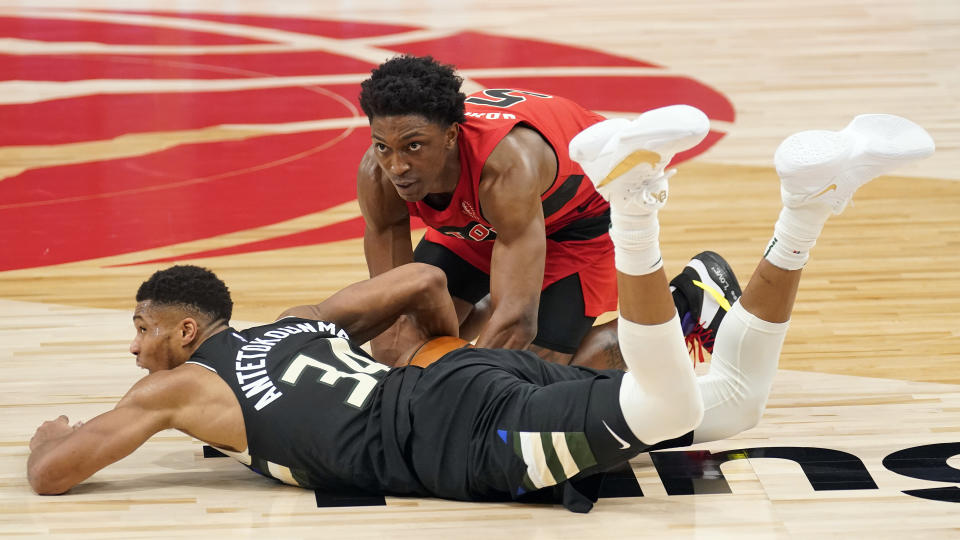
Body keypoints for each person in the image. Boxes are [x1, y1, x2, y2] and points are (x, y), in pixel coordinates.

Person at [27, 109, 934, 513]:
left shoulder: (176, 387)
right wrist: (460, 350)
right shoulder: (300, 318)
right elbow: (421, 287)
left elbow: (56, 474)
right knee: (727, 403)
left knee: (674, 408)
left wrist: (48, 435)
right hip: (455, 382)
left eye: (143, 328)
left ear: (188, 331)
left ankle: (636, 206)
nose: (134, 345)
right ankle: (807, 204)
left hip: (459, 435)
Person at [355, 54, 741, 367]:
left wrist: (461, 400)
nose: (397, 166)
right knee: (406, 349)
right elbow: (390, 307)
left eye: (413, 147)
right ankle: (496, 292)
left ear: (451, 136)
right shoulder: (379, 174)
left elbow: (516, 321)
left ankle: (684, 302)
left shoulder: (506, 167)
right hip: (489, 220)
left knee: (538, 382)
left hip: (579, 223)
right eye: (383, 147)